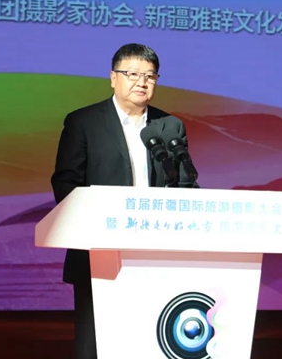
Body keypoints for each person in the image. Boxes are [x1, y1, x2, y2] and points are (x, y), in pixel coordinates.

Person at [50, 43, 198, 359]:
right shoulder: (84, 122)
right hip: (98, 252)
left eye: (149, 76)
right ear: (113, 78)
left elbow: (185, 186)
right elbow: (65, 183)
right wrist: (96, 226)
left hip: (155, 253)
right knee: (95, 344)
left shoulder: (170, 126)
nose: (141, 82)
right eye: (132, 74)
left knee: (149, 340)